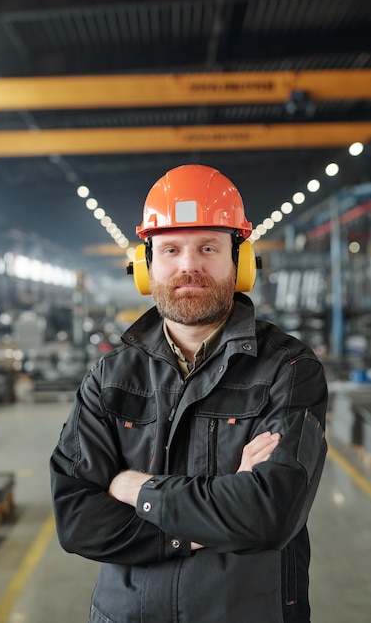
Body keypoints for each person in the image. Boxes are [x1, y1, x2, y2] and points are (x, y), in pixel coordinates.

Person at [50, 164, 328, 623]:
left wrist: (130, 485)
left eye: (207, 247)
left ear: (238, 262)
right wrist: (215, 517)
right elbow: (79, 521)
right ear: (147, 266)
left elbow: (269, 516)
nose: (188, 265)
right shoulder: (110, 377)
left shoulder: (290, 369)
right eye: (171, 249)